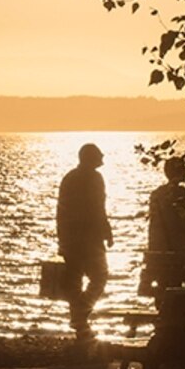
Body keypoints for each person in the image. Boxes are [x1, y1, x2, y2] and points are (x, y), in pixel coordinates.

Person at [54, 142, 111, 337]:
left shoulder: (68, 178)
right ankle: (81, 313)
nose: (102, 159)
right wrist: (107, 232)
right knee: (100, 277)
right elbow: (98, 209)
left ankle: (79, 322)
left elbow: (60, 211)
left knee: (75, 282)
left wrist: (61, 238)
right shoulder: (95, 178)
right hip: (89, 240)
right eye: (99, 156)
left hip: (70, 240)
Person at [142, 153, 185, 293]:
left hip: (159, 248)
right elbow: (182, 224)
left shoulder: (156, 194)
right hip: (175, 249)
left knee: (163, 282)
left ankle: (163, 308)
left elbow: (154, 225)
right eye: (183, 169)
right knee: (174, 283)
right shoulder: (181, 192)